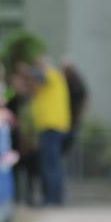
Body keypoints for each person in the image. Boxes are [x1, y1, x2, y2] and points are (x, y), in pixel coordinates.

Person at [28, 57, 71, 205]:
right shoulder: (45, 86)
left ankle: (52, 198)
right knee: (52, 163)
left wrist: (38, 66)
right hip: (49, 126)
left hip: (51, 126)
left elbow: (43, 74)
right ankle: (54, 197)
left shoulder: (53, 76)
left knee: (50, 164)